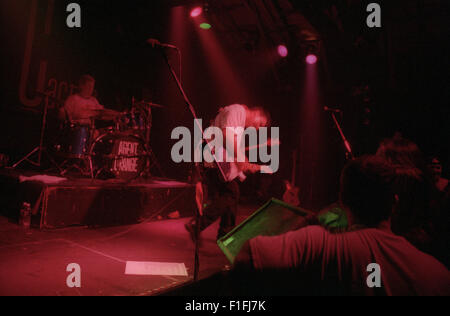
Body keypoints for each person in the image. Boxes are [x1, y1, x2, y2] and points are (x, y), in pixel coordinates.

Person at [233, 155, 450, 296]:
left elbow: (245, 257)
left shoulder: (317, 243)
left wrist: (304, 226)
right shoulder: (437, 275)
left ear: (342, 199)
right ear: (394, 202)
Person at [185, 104, 276, 242]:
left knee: (231, 193)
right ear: (256, 113)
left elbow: (229, 143)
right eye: (260, 124)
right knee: (231, 193)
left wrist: (242, 165)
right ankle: (198, 224)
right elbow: (226, 135)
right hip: (212, 153)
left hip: (214, 154)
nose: (257, 128)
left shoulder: (238, 120)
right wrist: (241, 160)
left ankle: (225, 234)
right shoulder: (239, 111)